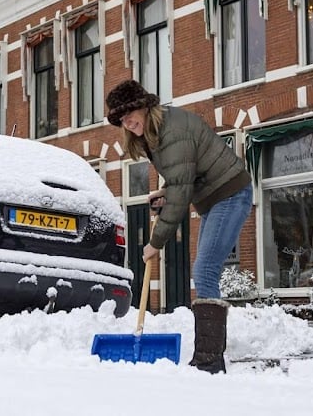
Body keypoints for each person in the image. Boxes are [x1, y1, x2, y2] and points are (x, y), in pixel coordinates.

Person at [105, 79, 253, 374]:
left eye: (130, 114)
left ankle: (209, 363)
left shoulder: (171, 131)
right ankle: (209, 359)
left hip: (229, 193)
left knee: (204, 270)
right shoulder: (158, 131)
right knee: (205, 271)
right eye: (121, 119)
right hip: (215, 197)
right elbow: (181, 178)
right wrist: (166, 191)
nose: (127, 122)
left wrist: (155, 243)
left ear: (144, 107)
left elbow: (182, 193)